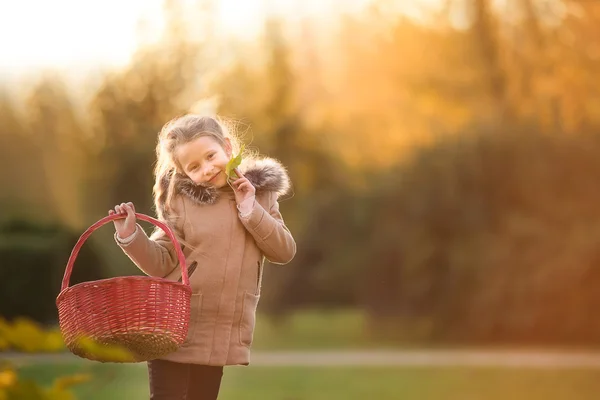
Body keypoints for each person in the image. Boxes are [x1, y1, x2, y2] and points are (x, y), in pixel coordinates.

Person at [108, 114, 296, 399]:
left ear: (228, 148)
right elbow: (162, 263)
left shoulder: (261, 195)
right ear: (183, 173)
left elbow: (284, 251)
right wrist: (130, 236)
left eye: (211, 156)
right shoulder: (181, 202)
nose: (207, 169)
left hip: (218, 332)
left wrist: (250, 210)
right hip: (177, 324)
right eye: (194, 167)